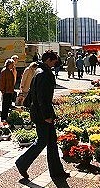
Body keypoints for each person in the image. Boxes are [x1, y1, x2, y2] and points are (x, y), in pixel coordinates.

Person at [15, 51, 69, 180]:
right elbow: (42, 97)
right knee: (43, 141)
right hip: (42, 114)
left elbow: (35, 95)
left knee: (51, 142)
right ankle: (22, 162)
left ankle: (57, 172)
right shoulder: (44, 73)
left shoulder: (39, 71)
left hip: (40, 112)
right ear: (49, 60)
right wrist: (46, 115)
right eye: (54, 61)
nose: (56, 64)